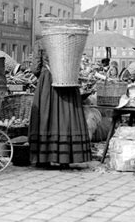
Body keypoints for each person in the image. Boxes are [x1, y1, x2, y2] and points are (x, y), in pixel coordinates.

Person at [28, 40, 91, 168]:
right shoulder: (70, 41)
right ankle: (65, 158)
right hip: (68, 80)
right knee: (66, 116)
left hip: (48, 82)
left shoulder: (41, 43)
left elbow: (35, 68)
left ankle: (43, 158)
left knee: (46, 116)